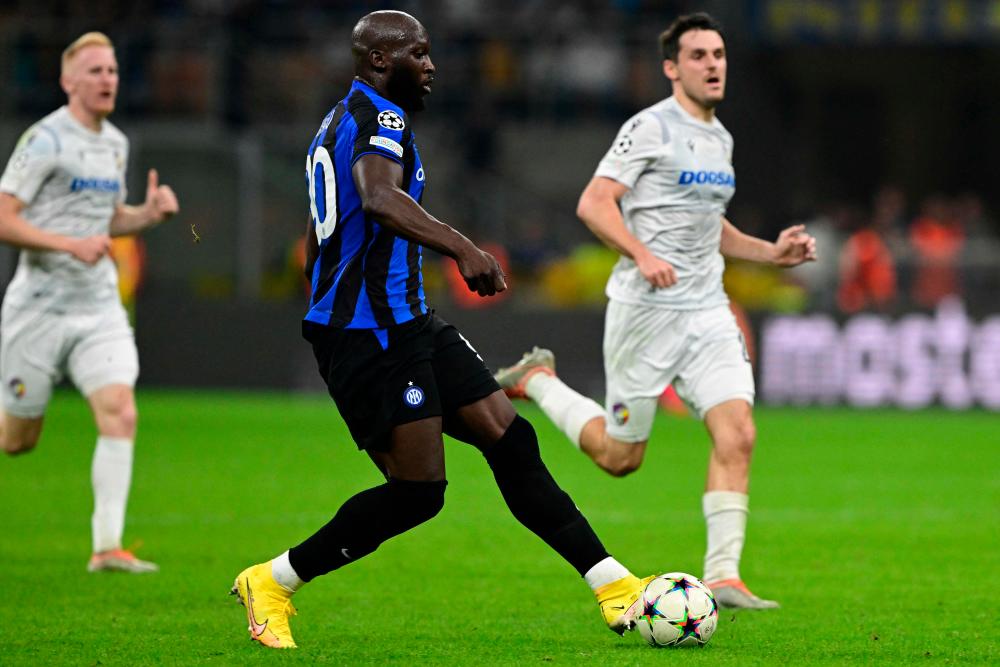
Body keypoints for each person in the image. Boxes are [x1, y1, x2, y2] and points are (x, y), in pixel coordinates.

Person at [230, 11, 656, 650]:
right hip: (366, 333)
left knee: (510, 440)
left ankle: (613, 584)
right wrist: (463, 247)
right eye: (418, 55)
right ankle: (273, 579)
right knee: (418, 493)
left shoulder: (346, 116)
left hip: (407, 322)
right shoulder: (382, 119)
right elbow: (378, 198)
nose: (430, 67)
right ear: (379, 62)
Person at [496, 13, 816, 610]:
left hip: (707, 310)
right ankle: (538, 380)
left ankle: (722, 576)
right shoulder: (649, 128)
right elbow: (594, 204)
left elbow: (709, 225)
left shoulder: (721, 139)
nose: (713, 64)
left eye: (719, 53)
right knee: (621, 458)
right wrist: (640, 253)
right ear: (672, 68)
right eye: (698, 55)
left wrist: (772, 253)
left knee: (738, 432)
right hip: (645, 313)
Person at [0, 32, 179, 573]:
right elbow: (5, 216)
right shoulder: (44, 140)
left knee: (121, 411)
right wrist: (67, 245)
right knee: (17, 442)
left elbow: (104, 218)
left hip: (98, 307)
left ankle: (107, 547)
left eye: (114, 71)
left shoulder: (115, 143)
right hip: (39, 307)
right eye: (96, 71)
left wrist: (146, 215)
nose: (108, 80)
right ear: (69, 80)